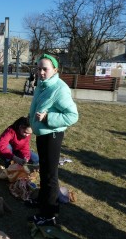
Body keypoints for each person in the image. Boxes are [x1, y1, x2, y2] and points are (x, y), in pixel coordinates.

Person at [27, 54, 78, 226]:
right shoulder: (42, 85)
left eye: (45, 69)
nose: (41, 72)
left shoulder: (59, 88)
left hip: (52, 136)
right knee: (44, 170)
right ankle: (42, 200)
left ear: (55, 70)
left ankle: (49, 213)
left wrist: (49, 117)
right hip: (42, 135)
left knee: (50, 175)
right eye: (38, 68)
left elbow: (72, 116)